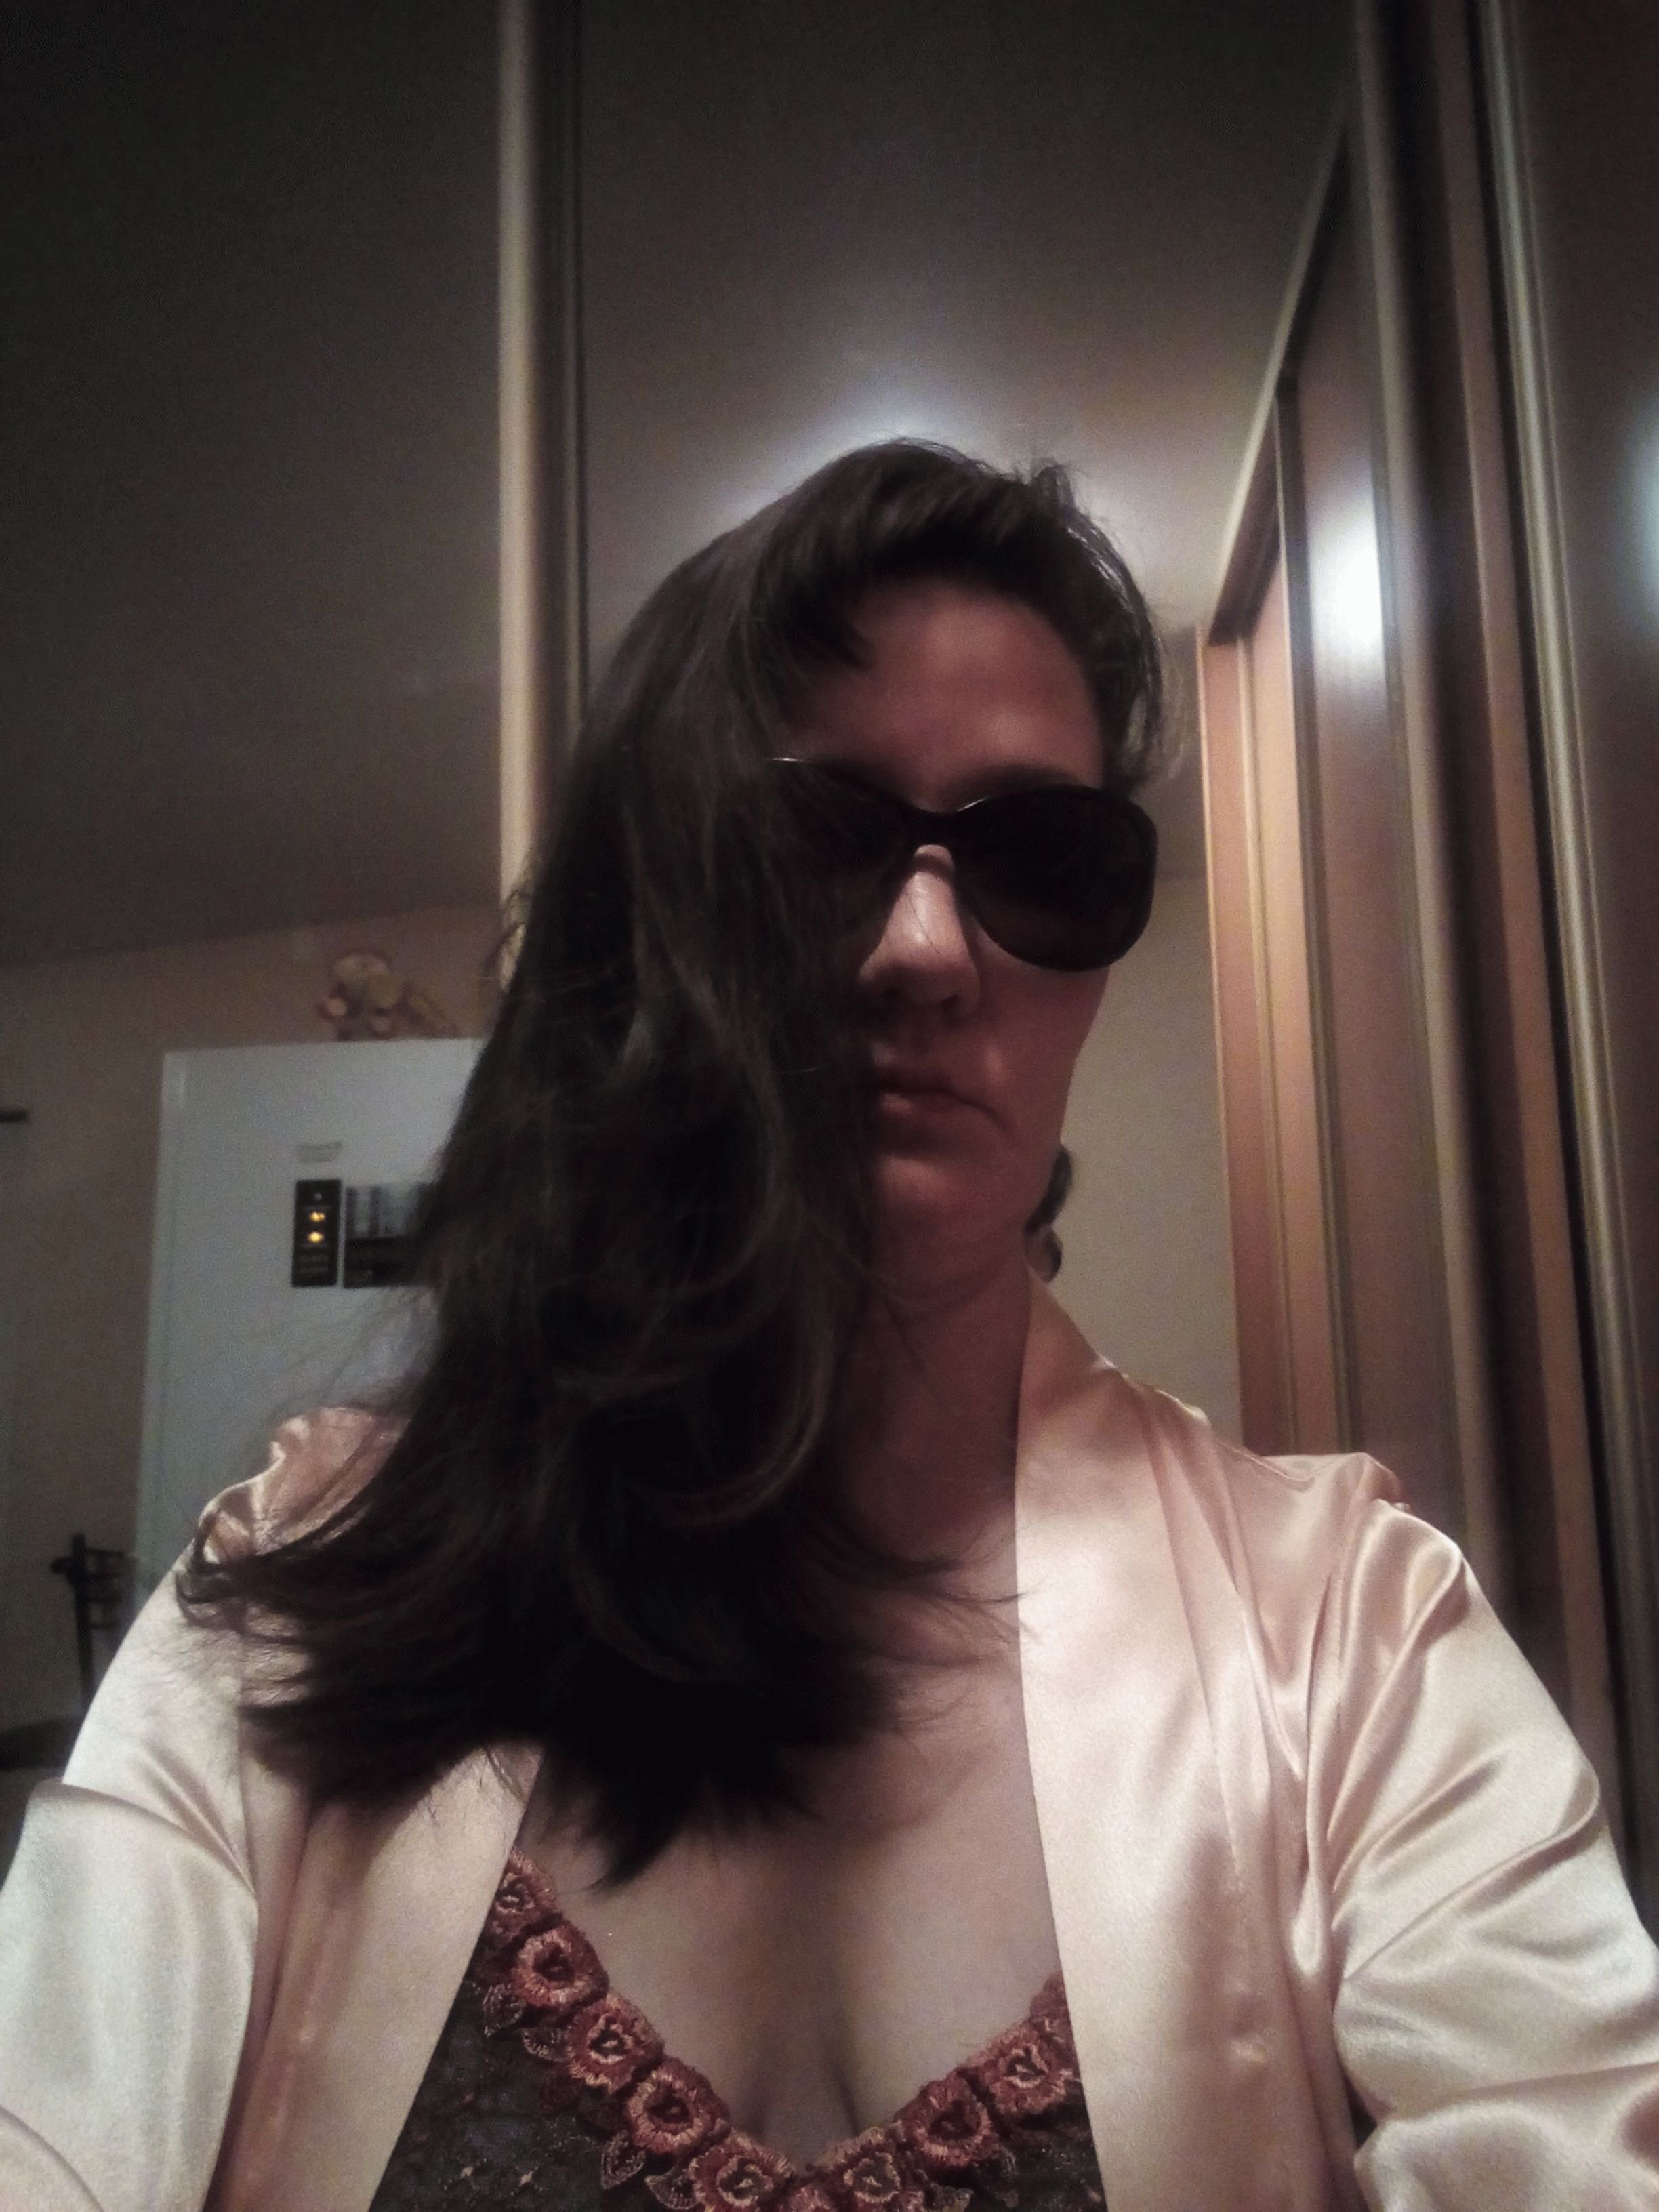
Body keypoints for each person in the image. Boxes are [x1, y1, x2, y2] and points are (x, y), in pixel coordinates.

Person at [2, 441, 1658, 2212]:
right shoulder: (282, 1600)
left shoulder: (1352, 1643)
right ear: (645, 920)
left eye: (1045, 859)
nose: (925, 948)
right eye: (813, 840)